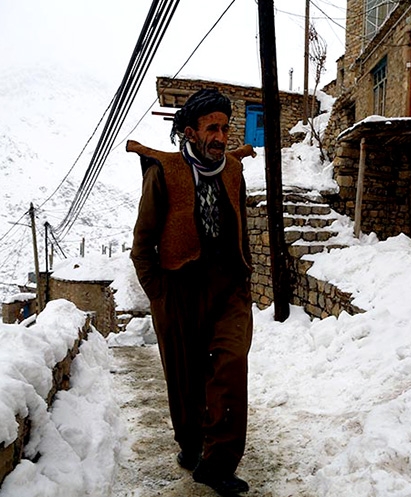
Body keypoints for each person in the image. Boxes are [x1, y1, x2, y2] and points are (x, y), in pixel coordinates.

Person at [127, 88, 256, 496]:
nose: (221, 136)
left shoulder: (234, 171)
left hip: (228, 287)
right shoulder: (164, 173)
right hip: (179, 289)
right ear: (190, 132)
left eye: (225, 127)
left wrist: (245, 278)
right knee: (185, 380)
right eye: (212, 128)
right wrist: (159, 295)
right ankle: (190, 445)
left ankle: (218, 463)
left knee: (231, 368)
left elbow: (241, 227)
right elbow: (142, 245)